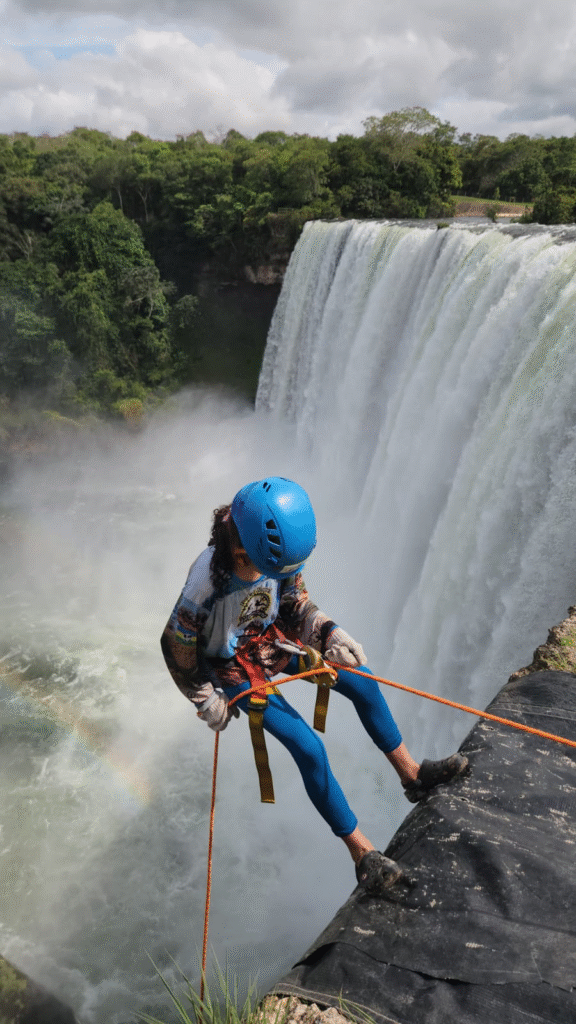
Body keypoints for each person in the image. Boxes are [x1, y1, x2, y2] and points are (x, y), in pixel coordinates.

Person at [161, 477, 468, 895]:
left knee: (362, 683)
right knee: (308, 745)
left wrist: (330, 635)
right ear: (242, 549)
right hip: (229, 662)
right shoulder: (207, 580)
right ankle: (362, 854)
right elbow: (176, 642)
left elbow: (295, 604)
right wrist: (203, 695)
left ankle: (412, 775)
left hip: (269, 637)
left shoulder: (280, 554)